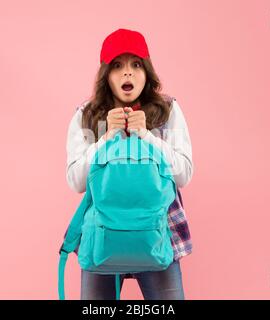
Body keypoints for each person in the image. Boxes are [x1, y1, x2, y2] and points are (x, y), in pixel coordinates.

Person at [65, 28, 194, 300]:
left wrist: (147, 135)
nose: (127, 73)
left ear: (147, 72)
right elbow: (76, 181)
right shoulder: (86, 115)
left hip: (157, 230)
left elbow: (183, 173)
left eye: (136, 64)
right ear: (106, 75)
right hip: (102, 232)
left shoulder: (167, 110)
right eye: (117, 66)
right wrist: (107, 137)